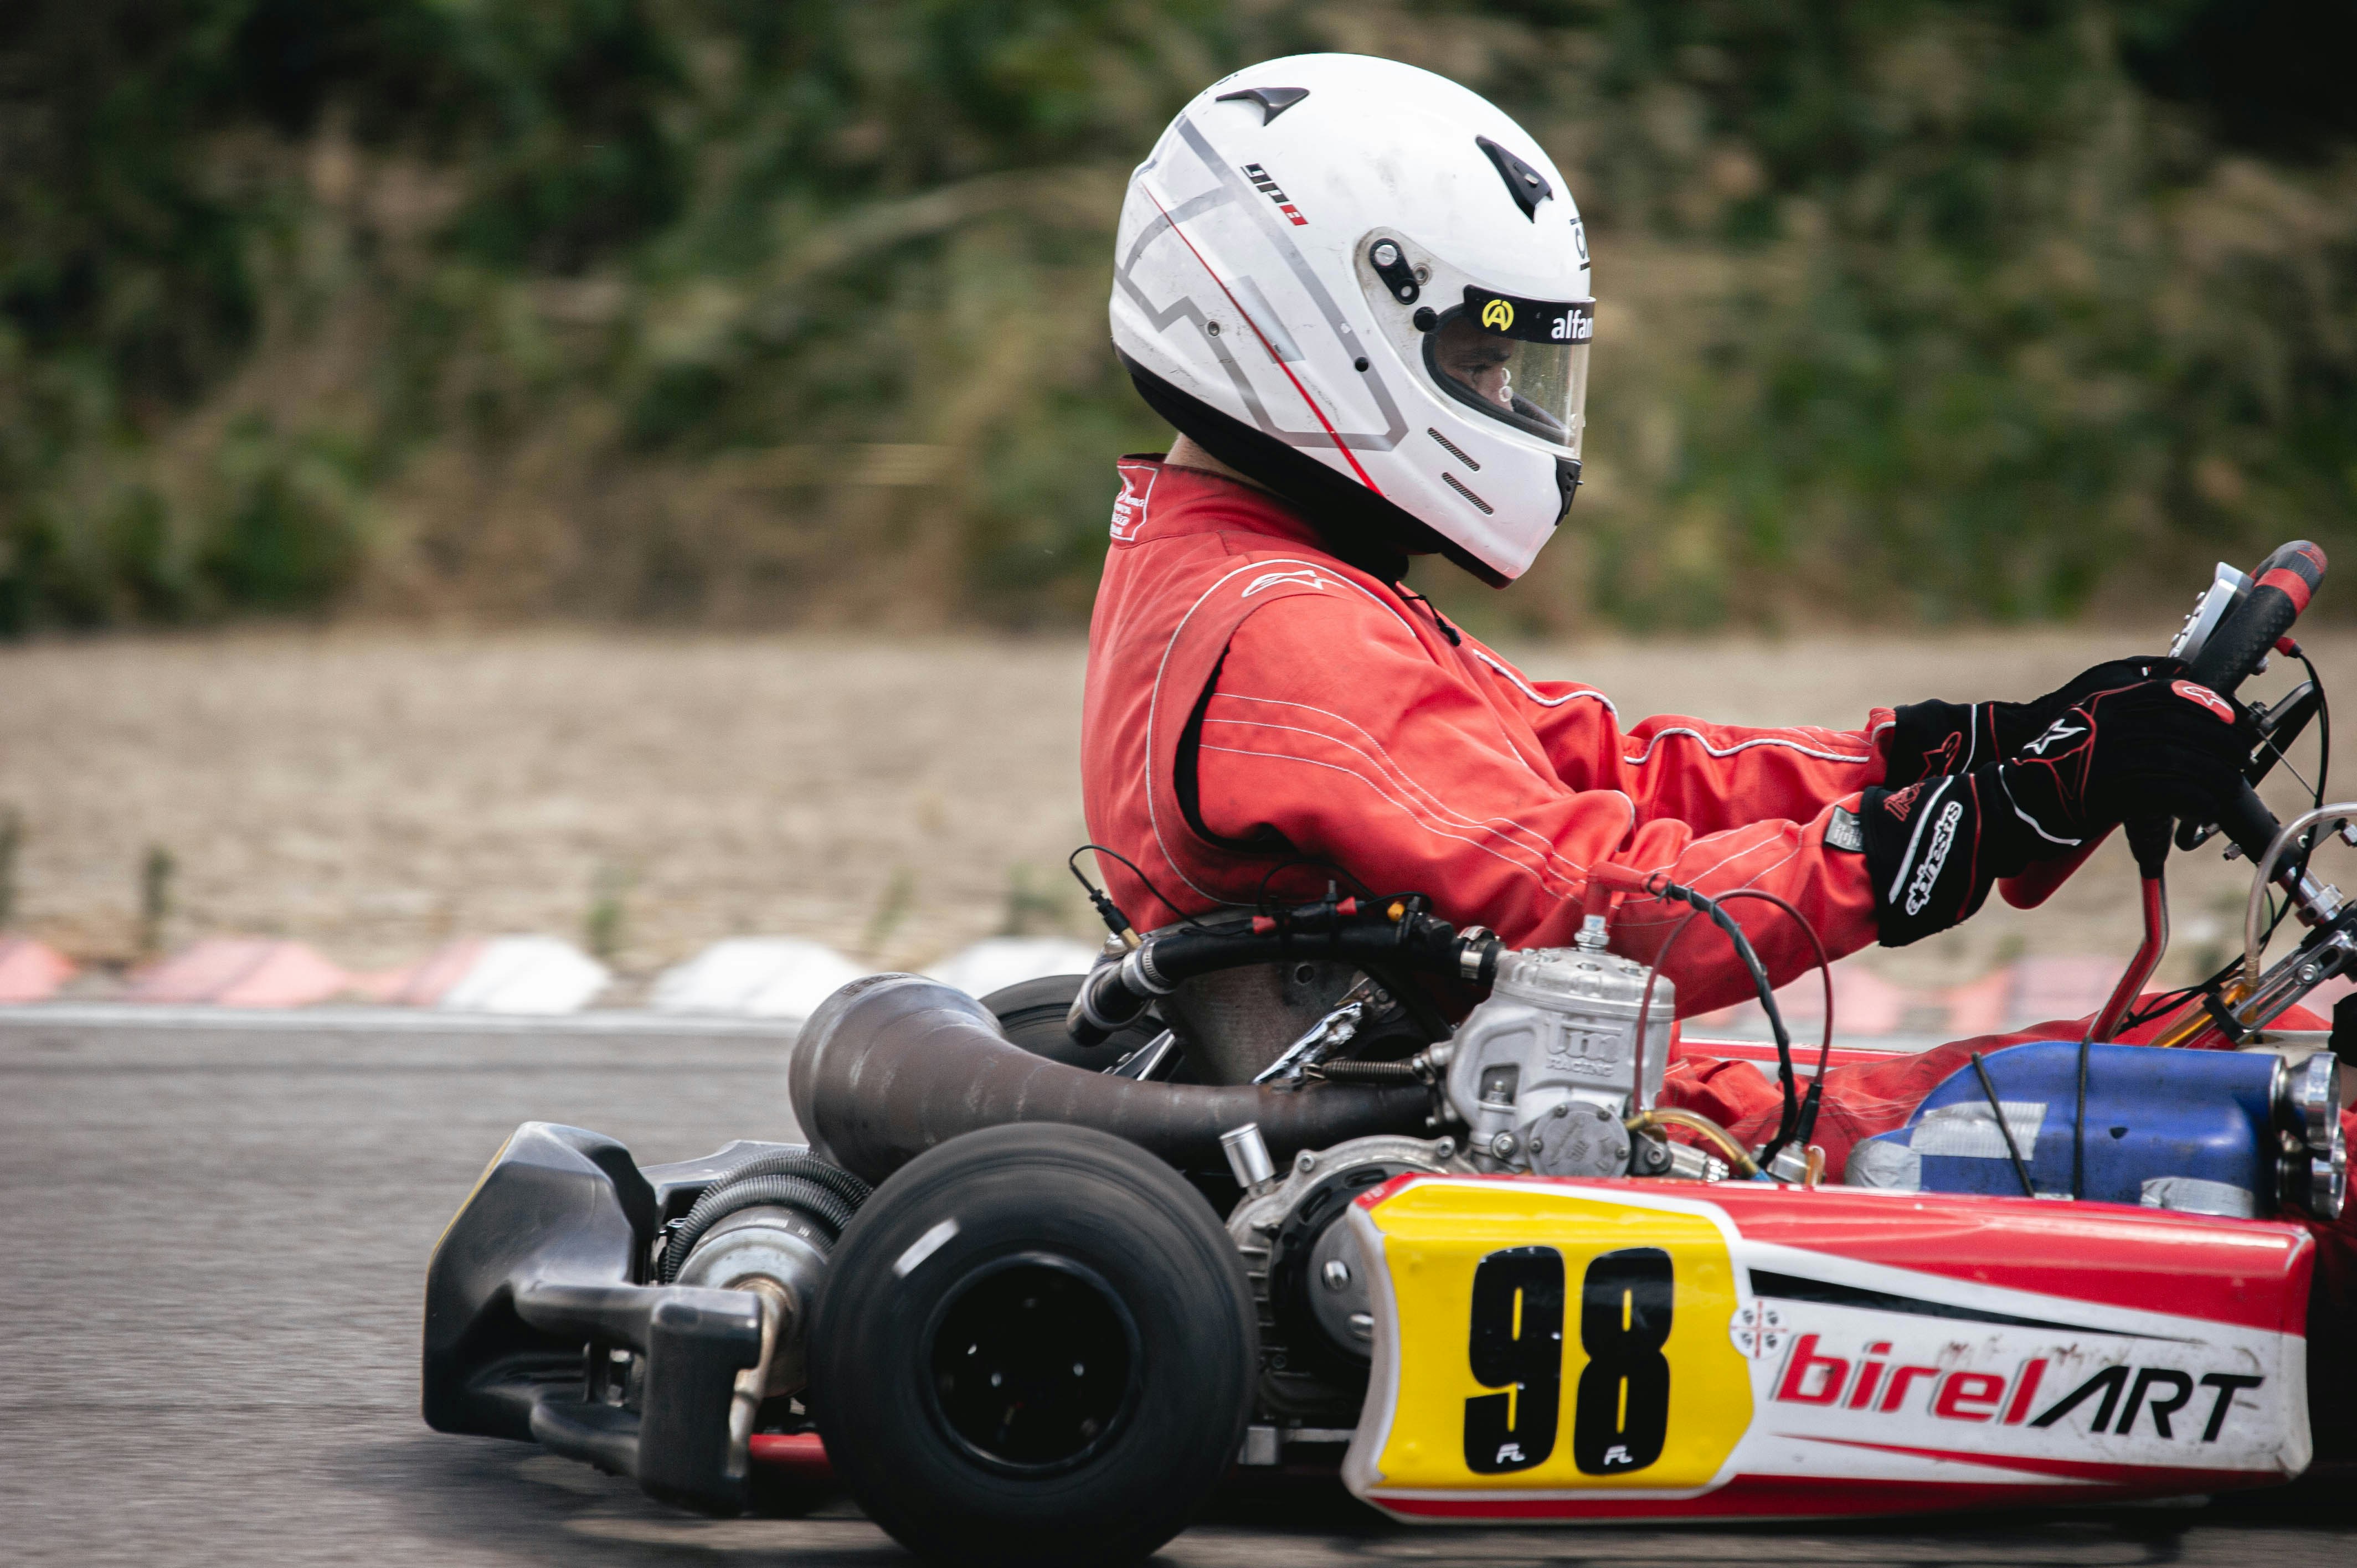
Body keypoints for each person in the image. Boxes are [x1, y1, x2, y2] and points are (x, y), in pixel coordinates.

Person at [1080, 53, 2262, 1177]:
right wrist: (1948, 835)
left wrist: (1959, 756)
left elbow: (1607, 772)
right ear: (1310, 326)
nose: (1505, 399)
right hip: (1492, 1142)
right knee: (2150, 1127)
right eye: (1479, 361)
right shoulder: (1285, 633)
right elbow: (1595, 910)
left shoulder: (1251, 574)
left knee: (2133, 1067)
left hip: (1491, 1084)